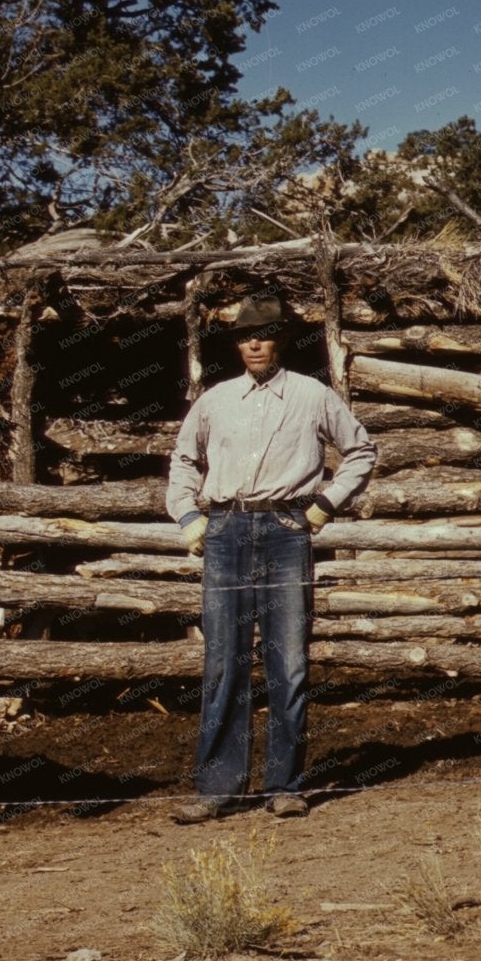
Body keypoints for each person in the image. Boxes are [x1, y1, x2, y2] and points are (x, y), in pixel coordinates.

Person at [165, 295, 377, 822]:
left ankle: (283, 785)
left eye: (263, 335)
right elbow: (184, 461)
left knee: (289, 661)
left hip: (286, 530)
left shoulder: (311, 395)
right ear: (236, 345)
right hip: (227, 530)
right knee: (222, 662)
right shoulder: (215, 401)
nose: (254, 344)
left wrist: (322, 508)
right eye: (244, 336)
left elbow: (361, 450)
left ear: (280, 339)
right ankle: (218, 789)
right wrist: (190, 518)